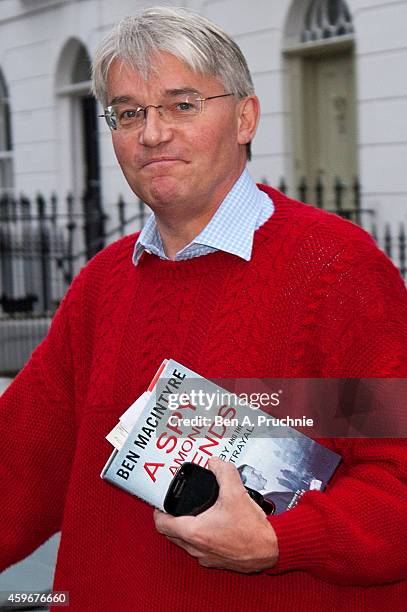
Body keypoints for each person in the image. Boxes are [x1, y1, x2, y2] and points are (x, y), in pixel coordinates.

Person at [1, 6, 406, 611]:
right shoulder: (102, 285)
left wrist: (277, 539)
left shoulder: (335, 271)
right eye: (129, 112)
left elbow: (395, 483)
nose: (152, 132)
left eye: (182, 104)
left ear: (245, 117)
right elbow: (20, 470)